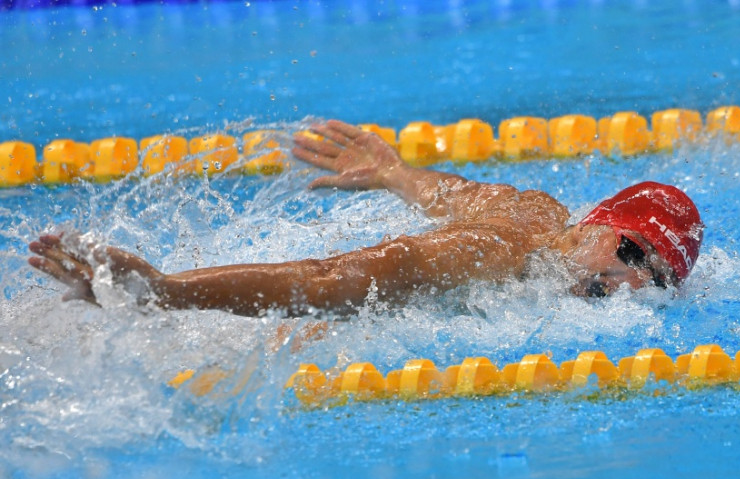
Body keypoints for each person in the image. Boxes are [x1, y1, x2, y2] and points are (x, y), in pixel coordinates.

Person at [28, 120, 704, 316]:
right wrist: (168, 291)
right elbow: (333, 279)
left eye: (656, 279)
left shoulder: (539, 214)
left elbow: (457, 194)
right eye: (634, 253)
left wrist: (393, 174)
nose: (633, 282)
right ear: (596, 224)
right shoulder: (496, 256)